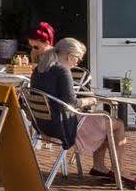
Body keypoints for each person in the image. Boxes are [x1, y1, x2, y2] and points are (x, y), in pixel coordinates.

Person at [32, 37, 123, 180]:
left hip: (43, 126)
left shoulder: (39, 69)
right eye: (78, 59)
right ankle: (118, 171)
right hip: (65, 127)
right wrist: (90, 100)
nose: (77, 63)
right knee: (117, 125)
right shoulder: (63, 71)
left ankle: (99, 166)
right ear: (70, 56)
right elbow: (71, 102)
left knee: (104, 117)